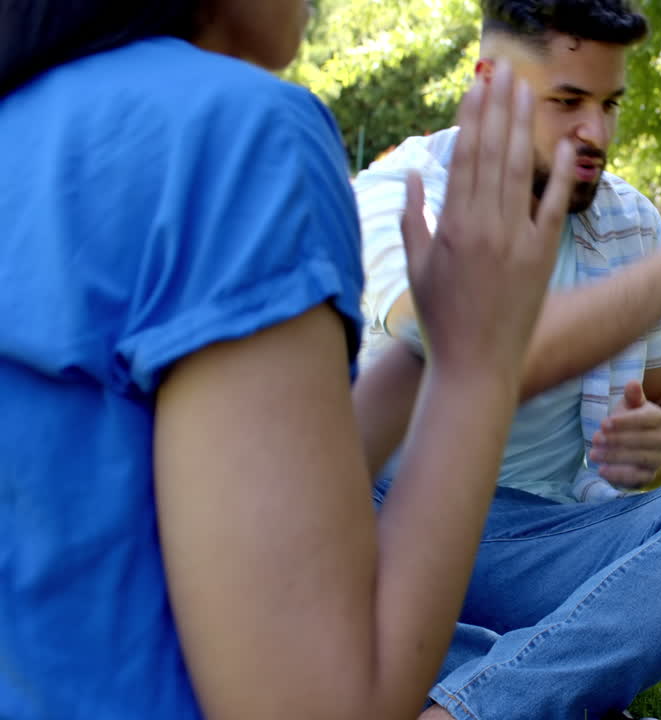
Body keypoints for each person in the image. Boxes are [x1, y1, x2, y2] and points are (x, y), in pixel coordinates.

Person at [0, 1, 627, 717]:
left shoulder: (25, 116)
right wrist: (478, 372)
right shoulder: (240, 133)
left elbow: (213, 486)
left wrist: (443, 341)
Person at [354, 1, 661, 717]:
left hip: (541, 540)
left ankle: (477, 697)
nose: (597, 132)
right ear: (488, 82)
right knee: (305, 556)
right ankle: (542, 678)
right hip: (391, 521)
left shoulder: (629, 222)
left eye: (611, 103)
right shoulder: (403, 194)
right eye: (567, 101)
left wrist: (656, 447)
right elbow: (467, 348)